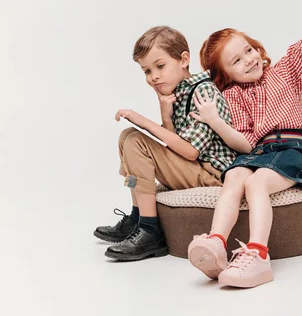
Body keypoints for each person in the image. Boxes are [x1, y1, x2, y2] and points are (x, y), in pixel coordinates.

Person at [187, 0, 302, 287]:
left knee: (256, 181)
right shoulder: (232, 96)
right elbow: (245, 144)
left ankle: (259, 256)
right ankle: (216, 243)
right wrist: (213, 120)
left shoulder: (284, 72)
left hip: (291, 149)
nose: (248, 60)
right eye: (236, 61)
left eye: (248, 50)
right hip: (257, 152)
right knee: (235, 175)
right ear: (226, 75)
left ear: (257, 47)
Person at [94, 25, 236, 262]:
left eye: (160, 66)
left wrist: (145, 121)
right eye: (147, 71)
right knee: (127, 136)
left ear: (184, 59)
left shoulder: (204, 93)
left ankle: (150, 230)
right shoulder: (177, 93)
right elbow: (175, 146)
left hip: (211, 174)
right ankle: (137, 215)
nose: (153, 77)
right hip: (192, 167)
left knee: (137, 139)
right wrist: (166, 117)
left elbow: (190, 152)